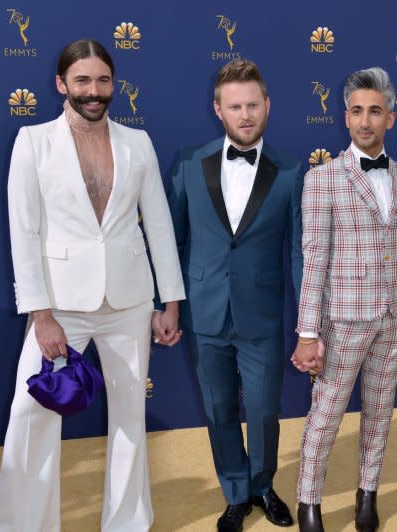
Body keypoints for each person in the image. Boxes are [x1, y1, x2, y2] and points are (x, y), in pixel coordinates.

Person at [0, 39, 185, 532]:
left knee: (129, 420)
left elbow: (158, 225)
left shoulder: (136, 143)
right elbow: (24, 232)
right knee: (32, 415)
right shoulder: (33, 142)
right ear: (62, 84)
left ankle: (128, 523)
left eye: (102, 80)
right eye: (82, 81)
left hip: (130, 301)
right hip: (61, 304)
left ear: (113, 84)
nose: (93, 91)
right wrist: (40, 313)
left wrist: (171, 303)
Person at [166, 58, 303, 532]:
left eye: (253, 105)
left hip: (261, 315)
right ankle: (234, 493)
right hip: (204, 315)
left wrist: (307, 324)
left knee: (264, 411)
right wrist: (169, 305)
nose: (245, 115)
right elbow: (173, 243)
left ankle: (263, 486)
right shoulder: (187, 164)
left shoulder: (290, 172)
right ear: (217, 110)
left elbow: (300, 253)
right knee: (219, 408)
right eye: (234, 106)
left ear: (268, 106)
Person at [292, 67, 397, 532]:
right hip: (342, 320)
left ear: (391, 118)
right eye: (358, 112)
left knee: (381, 413)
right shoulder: (322, 179)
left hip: (392, 316)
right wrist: (308, 332)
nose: (366, 122)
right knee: (325, 417)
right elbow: (313, 261)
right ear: (345, 118)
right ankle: (309, 502)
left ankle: (368, 494)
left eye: (376, 112)